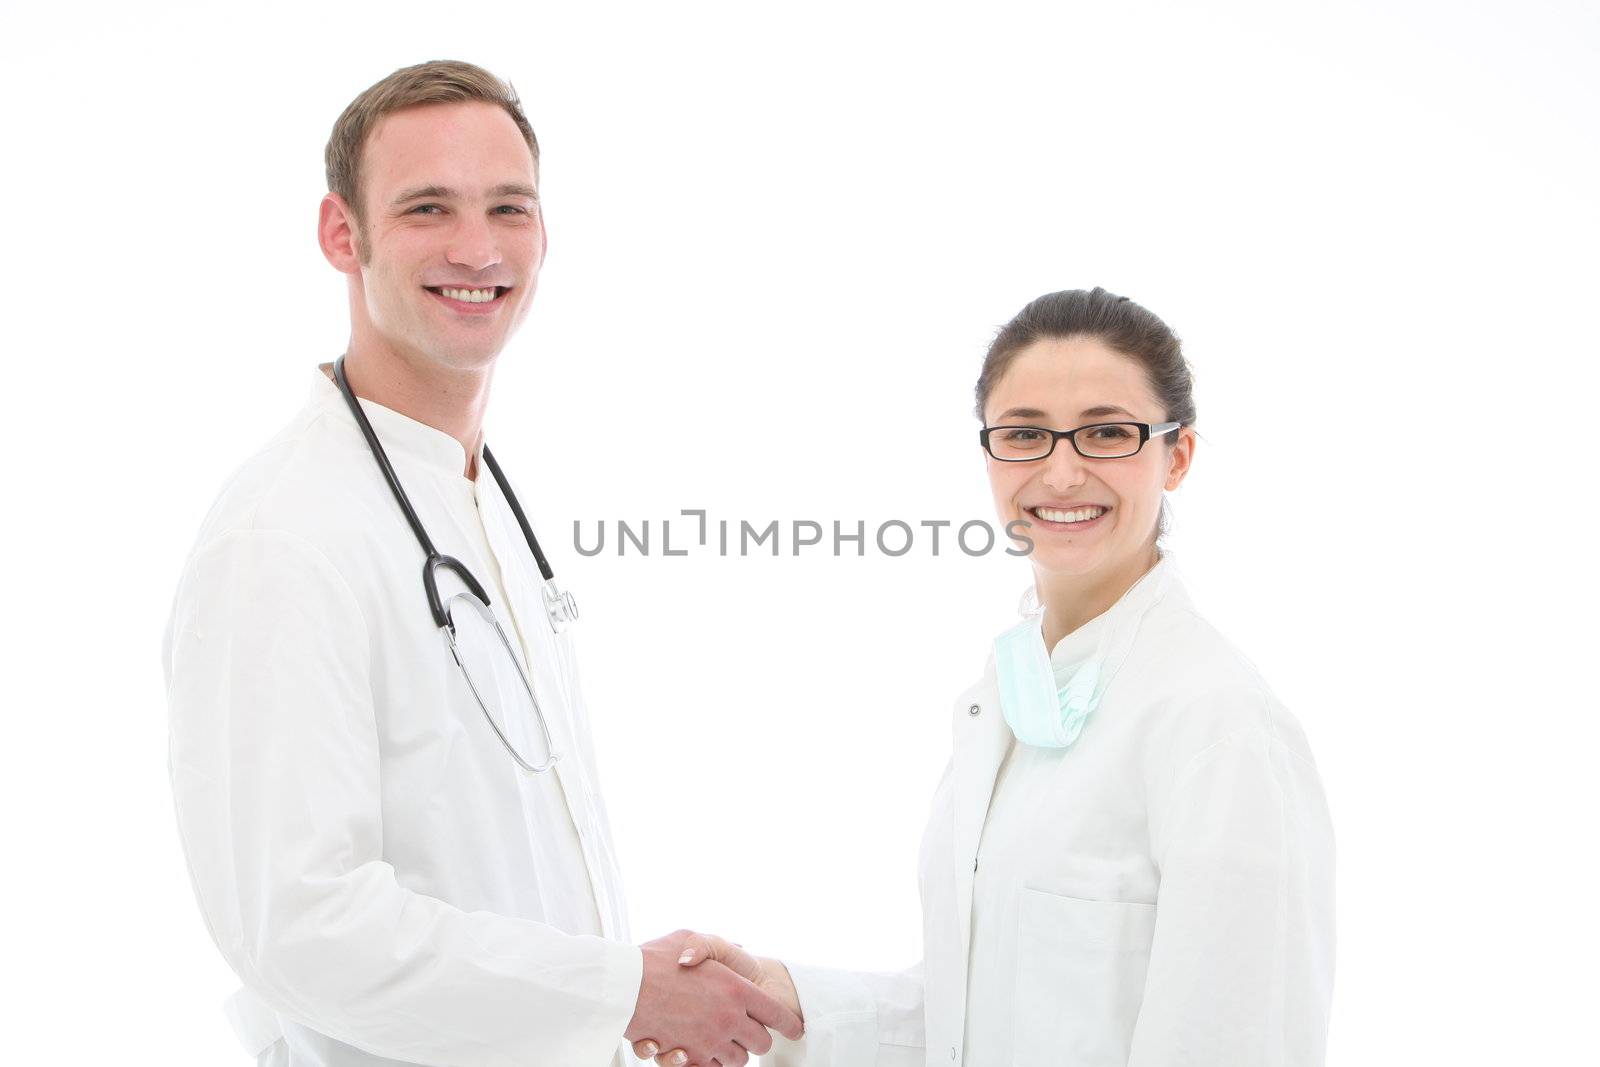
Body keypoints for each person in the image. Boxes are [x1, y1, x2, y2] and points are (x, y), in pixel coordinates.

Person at [163, 60, 800, 1067]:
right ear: (343, 234)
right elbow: (298, 925)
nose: (478, 248)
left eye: (510, 207)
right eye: (427, 208)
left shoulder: (475, 493)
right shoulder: (282, 537)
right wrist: (619, 992)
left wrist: (628, 1004)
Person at [634, 287, 1336, 1066]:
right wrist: (778, 994)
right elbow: (985, 1007)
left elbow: (1233, 1037)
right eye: (1026, 435)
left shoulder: (1220, 727)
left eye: (1106, 432)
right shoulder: (1011, 695)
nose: (1062, 473)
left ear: (1177, 455)